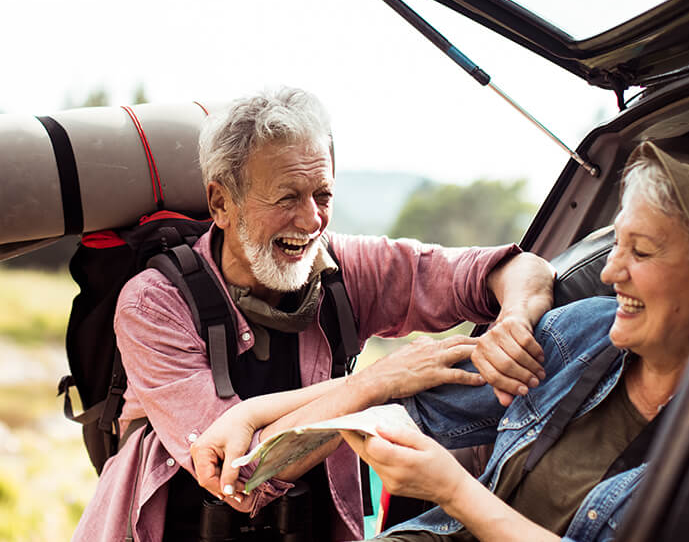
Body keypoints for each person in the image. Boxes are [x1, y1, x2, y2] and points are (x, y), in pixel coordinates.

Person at [72, 87, 555, 542]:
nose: (311, 221)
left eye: (321, 195)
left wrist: (514, 319)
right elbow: (240, 477)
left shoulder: (345, 270)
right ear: (222, 202)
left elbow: (515, 267)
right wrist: (377, 383)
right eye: (286, 197)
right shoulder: (153, 304)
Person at [191, 140, 689, 542]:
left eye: (643, 252)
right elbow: (404, 398)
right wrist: (253, 414)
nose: (610, 273)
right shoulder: (584, 333)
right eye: (616, 245)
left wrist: (452, 490)